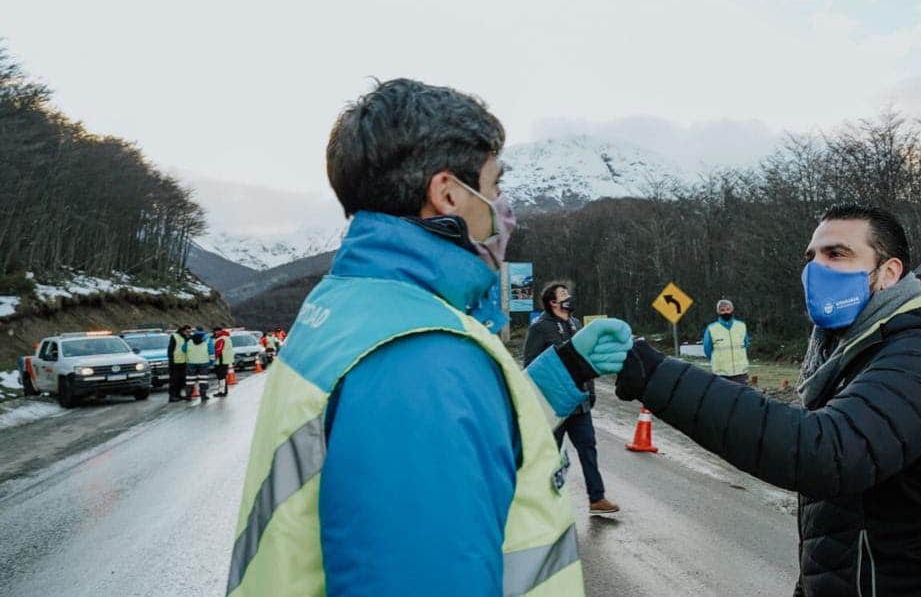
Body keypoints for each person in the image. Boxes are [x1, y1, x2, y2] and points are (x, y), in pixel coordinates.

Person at [227, 78, 633, 597]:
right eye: (494, 185)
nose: (504, 208)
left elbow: (463, 432)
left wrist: (565, 370)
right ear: (447, 195)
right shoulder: (422, 358)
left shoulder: (354, 303)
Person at [616, 204, 921, 596]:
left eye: (837, 254)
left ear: (889, 273)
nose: (816, 269)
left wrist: (657, 376)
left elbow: (826, 452)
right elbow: (836, 528)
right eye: (811, 257)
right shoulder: (848, 355)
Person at [524, 282, 618, 514]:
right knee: (550, 455)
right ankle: (543, 502)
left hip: (580, 402)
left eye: (568, 293)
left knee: (588, 448)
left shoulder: (577, 325)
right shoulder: (540, 328)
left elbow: (588, 361)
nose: (569, 297)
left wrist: (591, 392)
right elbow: (531, 366)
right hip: (555, 405)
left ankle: (597, 498)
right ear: (552, 302)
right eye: (563, 294)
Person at [701, 299, 750, 383]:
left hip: (740, 372)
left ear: (732, 309)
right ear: (718, 312)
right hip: (721, 373)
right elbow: (707, 349)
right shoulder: (712, 328)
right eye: (722, 310)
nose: (726, 312)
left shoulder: (741, 326)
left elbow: (746, 344)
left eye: (728, 309)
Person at [184, 326, 214, 402]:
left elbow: (183, 349)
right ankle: (203, 396)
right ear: (203, 330)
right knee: (203, 380)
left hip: (191, 362)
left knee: (190, 380)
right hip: (204, 362)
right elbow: (211, 351)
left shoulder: (189, 339)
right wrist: (211, 361)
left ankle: (188, 396)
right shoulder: (207, 339)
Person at [167, 324, 191, 403]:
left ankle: (178, 394)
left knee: (181, 380)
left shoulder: (186, 337)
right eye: (187, 332)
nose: (188, 333)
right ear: (183, 330)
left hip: (183, 361)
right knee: (174, 380)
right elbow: (171, 349)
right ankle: (172, 396)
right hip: (175, 362)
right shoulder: (175, 336)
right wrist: (171, 359)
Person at [212, 327, 234, 397]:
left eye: (216, 331)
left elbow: (218, 350)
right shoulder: (227, 337)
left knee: (221, 377)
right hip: (226, 359)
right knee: (223, 376)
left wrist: (213, 359)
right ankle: (224, 391)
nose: (215, 333)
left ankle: (222, 391)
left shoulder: (220, 338)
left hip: (221, 360)